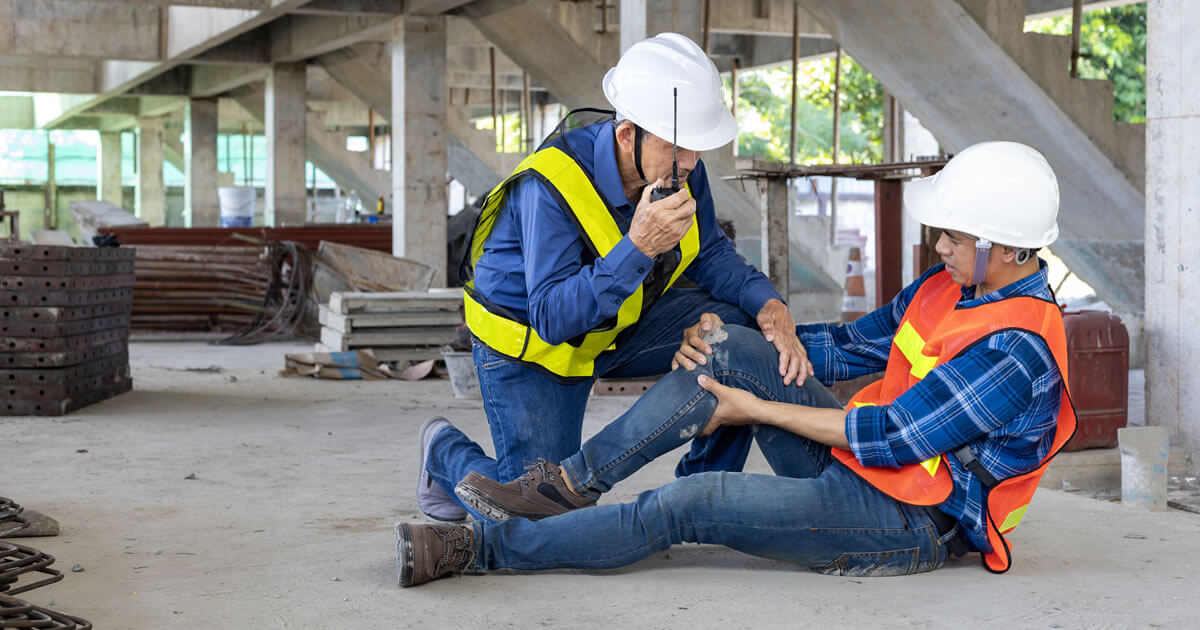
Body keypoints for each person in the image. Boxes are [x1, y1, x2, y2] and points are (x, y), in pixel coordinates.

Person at [395, 141, 1078, 585]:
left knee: (690, 505)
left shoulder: (1016, 348)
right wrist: (745, 333)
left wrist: (749, 408)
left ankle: (482, 548)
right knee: (727, 346)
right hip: (869, 464)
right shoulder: (948, 287)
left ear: (1006, 248)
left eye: (954, 238)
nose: (940, 248)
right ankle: (568, 484)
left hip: (909, 519)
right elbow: (849, 348)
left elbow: (893, 435)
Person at [417, 33, 809, 523]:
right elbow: (553, 317)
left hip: (617, 325)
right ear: (628, 135)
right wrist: (639, 246)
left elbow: (708, 252)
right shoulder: (550, 185)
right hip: (535, 347)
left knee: (740, 333)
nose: (690, 162)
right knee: (537, 516)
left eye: (698, 149)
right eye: (677, 147)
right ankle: (443, 450)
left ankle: (701, 489)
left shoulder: (678, 168)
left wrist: (768, 303)